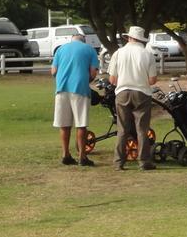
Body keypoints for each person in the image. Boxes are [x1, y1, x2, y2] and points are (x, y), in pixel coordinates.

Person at [108, 26, 158, 171]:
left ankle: (119, 162)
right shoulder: (147, 54)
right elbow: (153, 80)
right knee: (142, 129)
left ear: (128, 38)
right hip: (142, 92)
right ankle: (143, 161)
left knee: (122, 129)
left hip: (123, 91)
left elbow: (112, 79)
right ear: (141, 39)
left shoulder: (118, 53)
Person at [50, 33, 100, 166]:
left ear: (71, 40)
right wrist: (86, 80)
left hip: (61, 89)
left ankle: (65, 154)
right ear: (84, 41)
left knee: (64, 124)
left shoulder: (61, 49)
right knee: (81, 124)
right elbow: (93, 72)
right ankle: (82, 156)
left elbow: (53, 71)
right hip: (80, 89)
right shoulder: (89, 50)